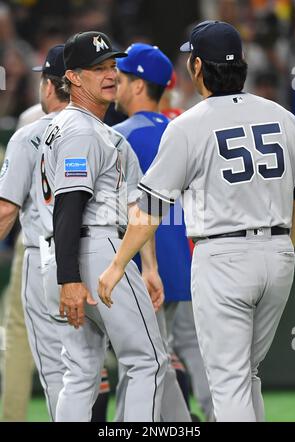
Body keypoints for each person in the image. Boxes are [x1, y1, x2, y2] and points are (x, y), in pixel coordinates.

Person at [98, 20, 295, 422]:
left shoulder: (189, 124)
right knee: (247, 375)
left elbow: (148, 211)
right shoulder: (283, 117)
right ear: (241, 63)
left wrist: (118, 263)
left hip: (223, 256)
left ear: (197, 67)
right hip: (278, 255)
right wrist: (282, 248)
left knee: (229, 381)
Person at [38, 31, 167, 422]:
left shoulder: (81, 129)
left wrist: (148, 266)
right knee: (149, 362)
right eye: (98, 69)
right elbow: (69, 206)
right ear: (73, 77)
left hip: (67, 256)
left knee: (80, 373)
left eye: (112, 66)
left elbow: (134, 206)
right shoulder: (82, 131)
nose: (110, 75)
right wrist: (69, 278)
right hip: (90, 252)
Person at [114, 43, 192, 422]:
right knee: (159, 359)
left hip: (141, 265)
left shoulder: (120, 134)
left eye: (124, 77)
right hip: (183, 262)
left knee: (144, 363)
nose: (116, 82)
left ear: (140, 85)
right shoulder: (184, 130)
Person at [0, 45, 68, 421]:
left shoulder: (29, 122)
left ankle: (12, 417)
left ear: (47, 84)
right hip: (93, 247)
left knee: (22, 339)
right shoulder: (103, 127)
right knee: (87, 354)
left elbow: (6, 208)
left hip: (37, 246)